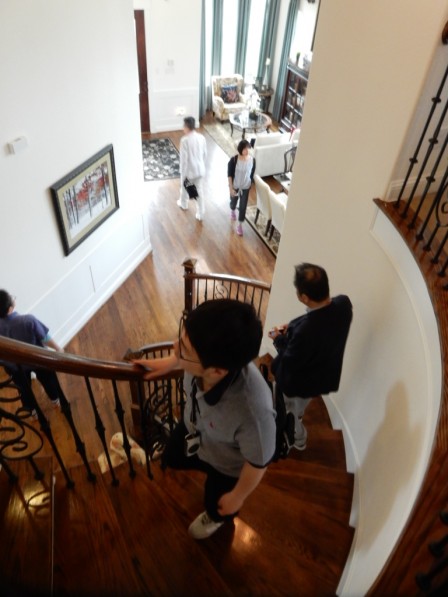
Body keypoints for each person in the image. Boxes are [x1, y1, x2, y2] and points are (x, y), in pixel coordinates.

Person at [134, 299, 276, 540]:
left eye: (184, 350)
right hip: (193, 428)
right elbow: (184, 354)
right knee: (172, 456)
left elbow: (258, 462)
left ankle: (215, 518)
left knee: (216, 501)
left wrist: (238, 496)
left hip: (226, 466)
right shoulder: (208, 360)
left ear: (216, 371)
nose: (174, 346)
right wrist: (170, 363)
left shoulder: (254, 413)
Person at [269, 263, 352, 451]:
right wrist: (292, 328)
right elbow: (321, 322)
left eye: (298, 292)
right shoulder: (344, 304)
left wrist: (278, 339)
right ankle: (297, 418)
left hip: (301, 382)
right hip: (322, 376)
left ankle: (298, 438)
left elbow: (290, 360)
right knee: (299, 406)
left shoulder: (306, 332)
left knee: (290, 410)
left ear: (304, 297)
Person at [0, 290, 65, 416]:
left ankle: (32, 411)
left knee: (23, 389)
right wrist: (58, 349)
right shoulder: (28, 320)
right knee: (48, 380)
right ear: (10, 308)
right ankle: (55, 400)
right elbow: (44, 337)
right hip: (37, 360)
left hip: (14, 366)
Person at [177, 116, 208, 221]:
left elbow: (183, 159)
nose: (183, 128)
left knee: (185, 187)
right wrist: (202, 164)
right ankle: (200, 212)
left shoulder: (184, 140)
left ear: (186, 127)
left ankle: (184, 204)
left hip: (189, 172)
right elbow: (205, 154)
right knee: (199, 191)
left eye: (183, 126)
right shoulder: (201, 137)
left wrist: (182, 172)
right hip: (200, 170)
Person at [227, 139, 256, 236]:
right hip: (235, 186)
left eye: (248, 148)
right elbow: (229, 175)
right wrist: (231, 188)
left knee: (243, 207)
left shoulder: (253, 160)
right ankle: (232, 210)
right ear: (240, 149)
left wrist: (250, 184)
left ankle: (240, 225)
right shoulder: (233, 160)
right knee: (233, 203)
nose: (247, 150)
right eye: (245, 149)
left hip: (245, 187)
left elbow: (251, 174)